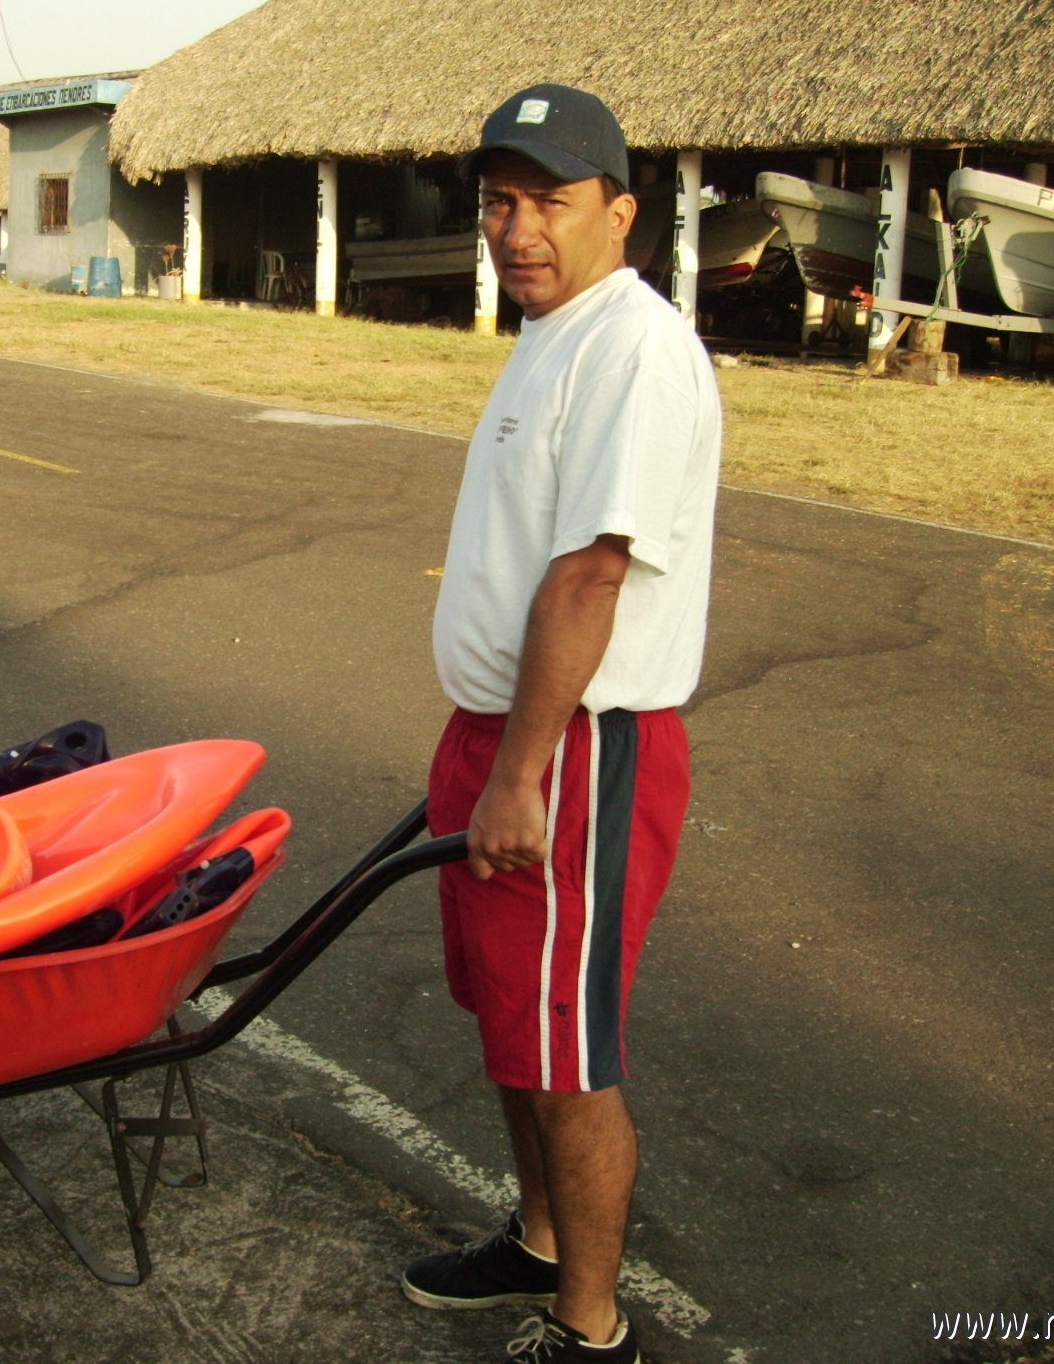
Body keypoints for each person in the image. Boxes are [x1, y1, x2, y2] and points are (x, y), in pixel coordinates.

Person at [403, 84, 722, 1362]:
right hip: (503, 737)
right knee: (509, 1024)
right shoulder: (551, 329)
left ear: (620, 213)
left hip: (573, 754)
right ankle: (535, 1242)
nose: (516, 228)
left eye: (548, 200)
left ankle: (590, 1331)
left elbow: (590, 573)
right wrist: (486, 752)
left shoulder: (634, 352)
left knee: (568, 1052)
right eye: (497, 202)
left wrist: (522, 770)